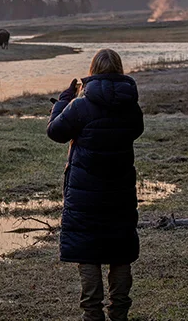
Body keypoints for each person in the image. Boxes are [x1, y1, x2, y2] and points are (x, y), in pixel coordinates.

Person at [46, 48, 144, 321]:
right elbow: (136, 130)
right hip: (121, 193)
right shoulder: (131, 106)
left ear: (93, 71)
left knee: (87, 252)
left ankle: (92, 315)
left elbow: (55, 132)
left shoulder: (80, 106)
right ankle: (119, 315)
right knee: (120, 252)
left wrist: (63, 100)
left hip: (84, 194)